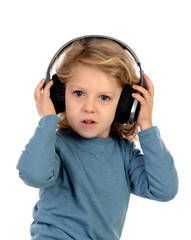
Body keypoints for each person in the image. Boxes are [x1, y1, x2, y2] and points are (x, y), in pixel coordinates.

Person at [17, 38, 178, 240]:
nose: (89, 107)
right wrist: (48, 120)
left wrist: (146, 124)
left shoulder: (124, 154)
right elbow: (33, 175)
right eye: (78, 93)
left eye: (104, 97)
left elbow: (164, 189)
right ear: (58, 95)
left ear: (126, 104)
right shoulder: (55, 146)